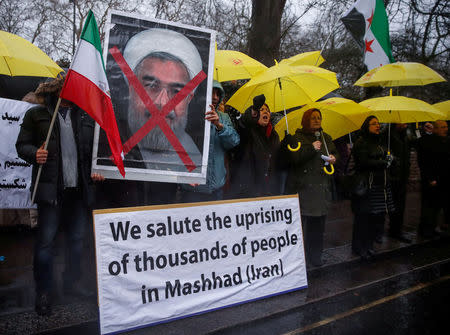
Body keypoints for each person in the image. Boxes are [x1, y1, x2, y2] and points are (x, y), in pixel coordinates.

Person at [15, 77, 104, 316]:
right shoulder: (37, 114)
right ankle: (43, 291)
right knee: (46, 243)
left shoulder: (85, 116)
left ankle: (72, 283)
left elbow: (95, 151)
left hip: (78, 190)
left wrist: (99, 169)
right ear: (59, 88)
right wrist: (35, 154)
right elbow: (21, 146)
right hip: (51, 191)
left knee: (77, 240)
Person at [122, 28, 203, 172]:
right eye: (152, 86)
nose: (163, 103)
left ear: (189, 100)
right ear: (131, 89)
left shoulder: (195, 159)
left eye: (177, 92)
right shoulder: (105, 146)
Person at [284, 108, 338, 267]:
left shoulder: (326, 137)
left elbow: (334, 152)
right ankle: (298, 258)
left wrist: (335, 158)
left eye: (319, 117)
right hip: (303, 189)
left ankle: (315, 256)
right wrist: (311, 148)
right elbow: (294, 158)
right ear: (306, 120)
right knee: (301, 227)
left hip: (321, 189)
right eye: (313, 118)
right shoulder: (297, 138)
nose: (316, 120)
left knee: (318, 228)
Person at [180, 80, 239, 202]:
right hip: (192, 188)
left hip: (216, 187)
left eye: (218, 94)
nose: (215, 98)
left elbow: (233, 142)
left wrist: (219, 126)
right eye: (212, 93)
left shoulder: (224, 117)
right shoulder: (187, 114)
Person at [351, 116, 395, 261]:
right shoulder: (361, 142)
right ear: (367, 126)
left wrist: (390, 159)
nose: (377, 126)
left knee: (375, 218)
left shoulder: (380, 142)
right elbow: (363, 162)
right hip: (367, 186)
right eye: (374, 124)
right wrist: (382, 162)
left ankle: (369, 246)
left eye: (378, 123)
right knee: (363, 219)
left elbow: (385, 158)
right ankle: (359, 247)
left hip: (380, 186)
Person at [230, 94, 280, 198]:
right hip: (249, 189)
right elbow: (244, 123)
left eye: (267, 110)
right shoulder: (248, 130)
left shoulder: (274, 135)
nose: (265, 111)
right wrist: (253, 109)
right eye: (261, 109)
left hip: (268, 189)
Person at [416, 120, 449, 237]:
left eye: (446, 127)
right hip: (431, 179)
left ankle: (432, 227)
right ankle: (425, 230)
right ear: (435, 129)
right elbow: (424, 162)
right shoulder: (426, 142)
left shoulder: (445, 141)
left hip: (442, 179)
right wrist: (430, 178)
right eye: (442, 127)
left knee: (437, 205)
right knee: (429, 206)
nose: (445, 129)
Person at [387, 123, 412, 243]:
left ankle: (397, 229)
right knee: (394, 205)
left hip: (402, 175)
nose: (405, 124)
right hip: (393, 176)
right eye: (403, 122)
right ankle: (394, 230)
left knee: (401, 205)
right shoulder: (389, 135)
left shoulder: (406, 135)